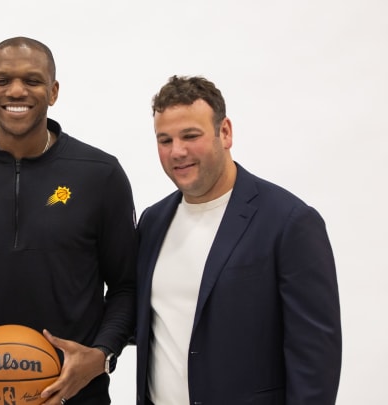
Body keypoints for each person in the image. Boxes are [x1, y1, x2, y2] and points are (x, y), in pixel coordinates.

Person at [0, 37, 137, 405]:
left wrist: (101, 355)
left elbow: (127, 287)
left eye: (33, 80)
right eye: (2, 80)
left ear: (53, 91)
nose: (16, 90)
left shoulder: (101, 174)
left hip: (74, 396)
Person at [135, 75, 342, 404]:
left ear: (225, 132)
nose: (177, 151)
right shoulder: (153, 222)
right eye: (165, 140)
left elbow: (315, 359)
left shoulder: (289, 222)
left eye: (190, 135)